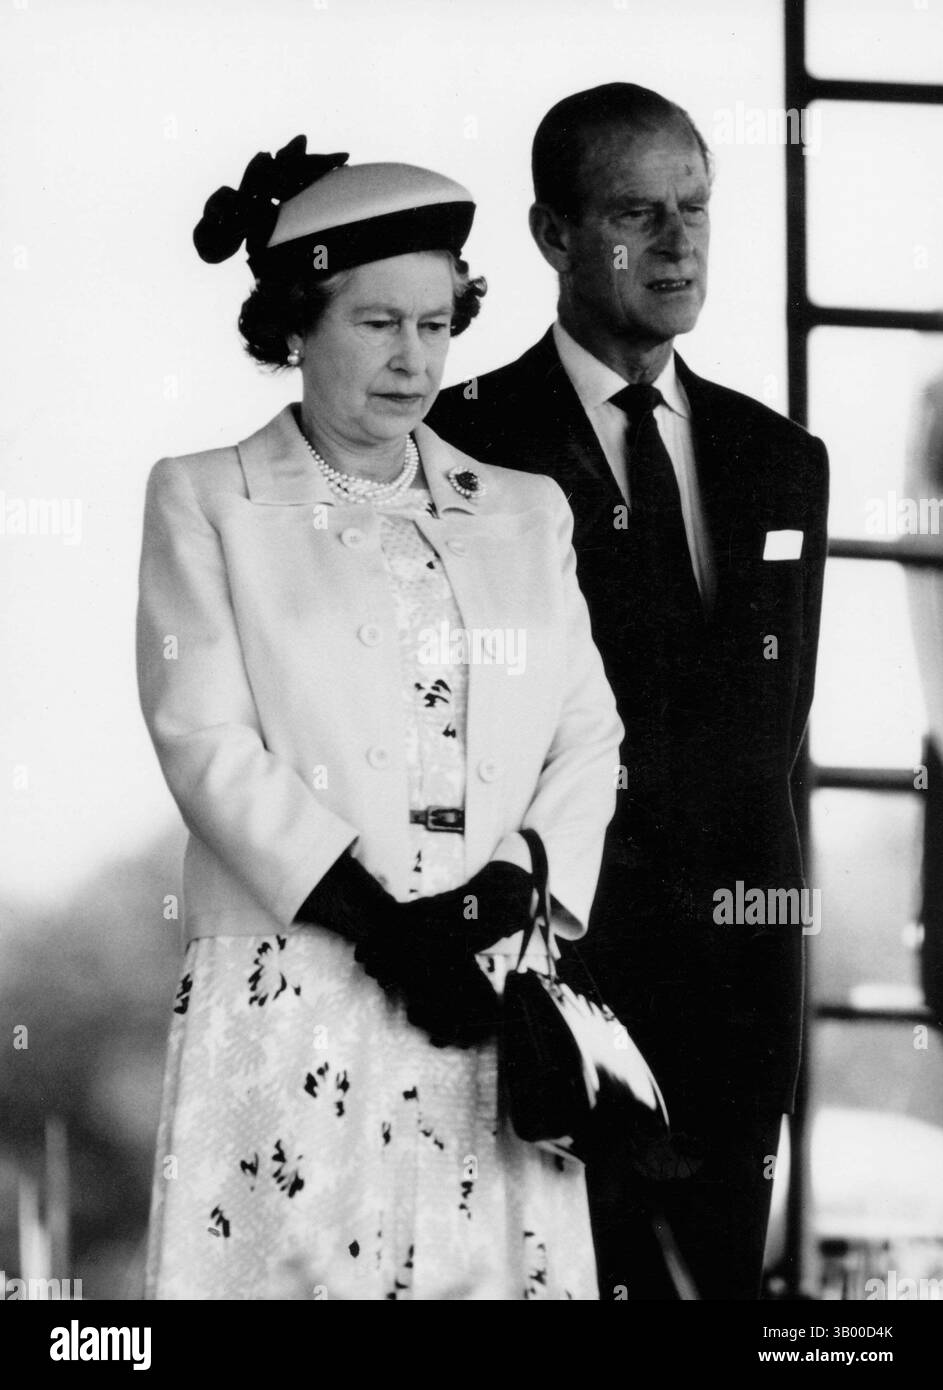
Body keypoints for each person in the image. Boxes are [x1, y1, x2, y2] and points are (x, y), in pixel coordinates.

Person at [136, 136, 622, 1301]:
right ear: (296, 324)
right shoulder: (208, 498)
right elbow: (203, 741)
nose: (415, 360)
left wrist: (513, 889)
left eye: (437, 323)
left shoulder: (523, 508)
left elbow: (585, 730)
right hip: (297, 981)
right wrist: (387, 932)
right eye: (377, 324)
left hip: (487, 991)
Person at [428, 83, 830, 1300]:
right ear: (552, 234)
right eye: (636, 213)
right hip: (551, 981)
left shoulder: (783, 459)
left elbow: (773, 742)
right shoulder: (457, 440)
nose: (678, 241)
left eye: (696, 206)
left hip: (745, 995)